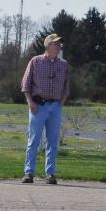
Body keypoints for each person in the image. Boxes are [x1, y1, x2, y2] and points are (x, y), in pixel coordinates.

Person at [20, 33, 70, 184]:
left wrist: (61, 102)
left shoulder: (63, 64)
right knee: (34, 140)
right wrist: (30, 102)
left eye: (59, 44)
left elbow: (66, 86)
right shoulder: (35, 62)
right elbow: (25, 85)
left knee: (53, 142)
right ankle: (29, 173)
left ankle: (51, 174)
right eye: (56, 44)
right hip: (38, 106)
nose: (59, 46)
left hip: (55, 106)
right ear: (48, 46)